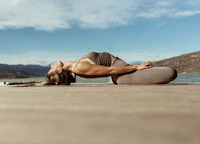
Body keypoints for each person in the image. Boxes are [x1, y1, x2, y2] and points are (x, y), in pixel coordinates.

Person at [45, 51, 177, 86]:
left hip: (120, 69)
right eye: (51, 68)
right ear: (59, 70)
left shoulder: (75, 64)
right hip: (121, 75)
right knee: (171, 73)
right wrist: (137, 66)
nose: (51, 65)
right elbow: (110, 71)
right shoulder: (79, 67)